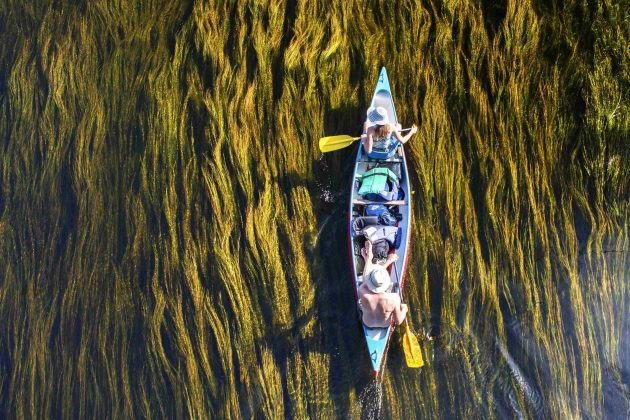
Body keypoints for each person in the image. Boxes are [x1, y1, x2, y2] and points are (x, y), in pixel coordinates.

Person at [358, 241, 408, 328]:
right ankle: (368, 259)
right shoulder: (394, 298)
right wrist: (404, 309)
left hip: (367, 324)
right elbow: (398, 321)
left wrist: (369, 259)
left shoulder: (362, 292)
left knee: (360, 303)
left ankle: (368, 259)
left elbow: (366, 279)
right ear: (385, 282)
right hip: (385, 325)